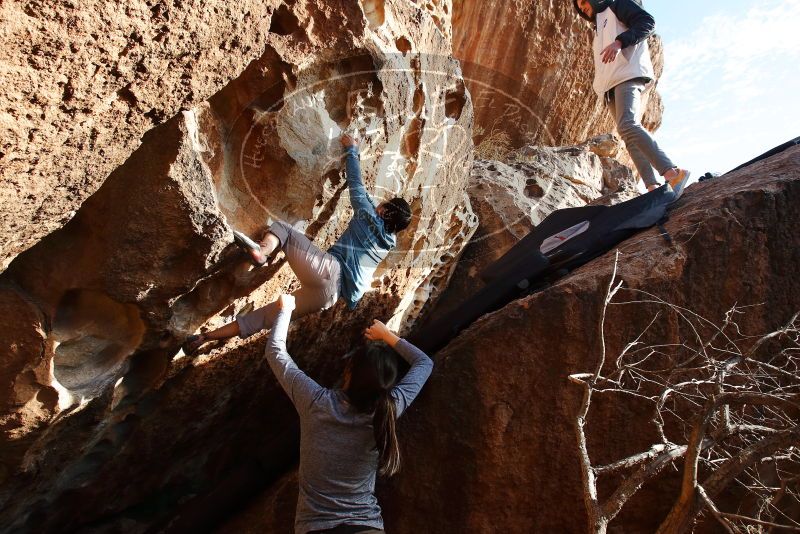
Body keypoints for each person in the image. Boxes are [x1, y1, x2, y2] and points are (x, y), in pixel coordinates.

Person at [182, 134, 413, 355]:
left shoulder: (367, 214)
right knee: (266, 317)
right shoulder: (388, 244)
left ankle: (262, 253)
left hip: (328, 269)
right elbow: (375, 210)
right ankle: (204, 338)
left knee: (284, 230)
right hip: (329, 297)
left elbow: (356, 183)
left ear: (385, 210)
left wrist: (352, 149)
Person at [268, 293, 433, 534]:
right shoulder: (388, 409)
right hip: (365, 526)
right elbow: (424, 363)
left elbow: (276, 352)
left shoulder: (316, 403)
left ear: (349, 372)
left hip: (317, 527)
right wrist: (387, 336)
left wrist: (286, 308)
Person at [573, 0, 691, 197]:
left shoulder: (616, 5)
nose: (583, 7)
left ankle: (673, 173)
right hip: (610, 86)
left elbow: (647, 21)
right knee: (627, 135)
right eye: (579, 6)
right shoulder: (598, 27)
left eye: (584, 1)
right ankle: (652, 187)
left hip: (628, 75)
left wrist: (620, 42)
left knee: (628, 125)